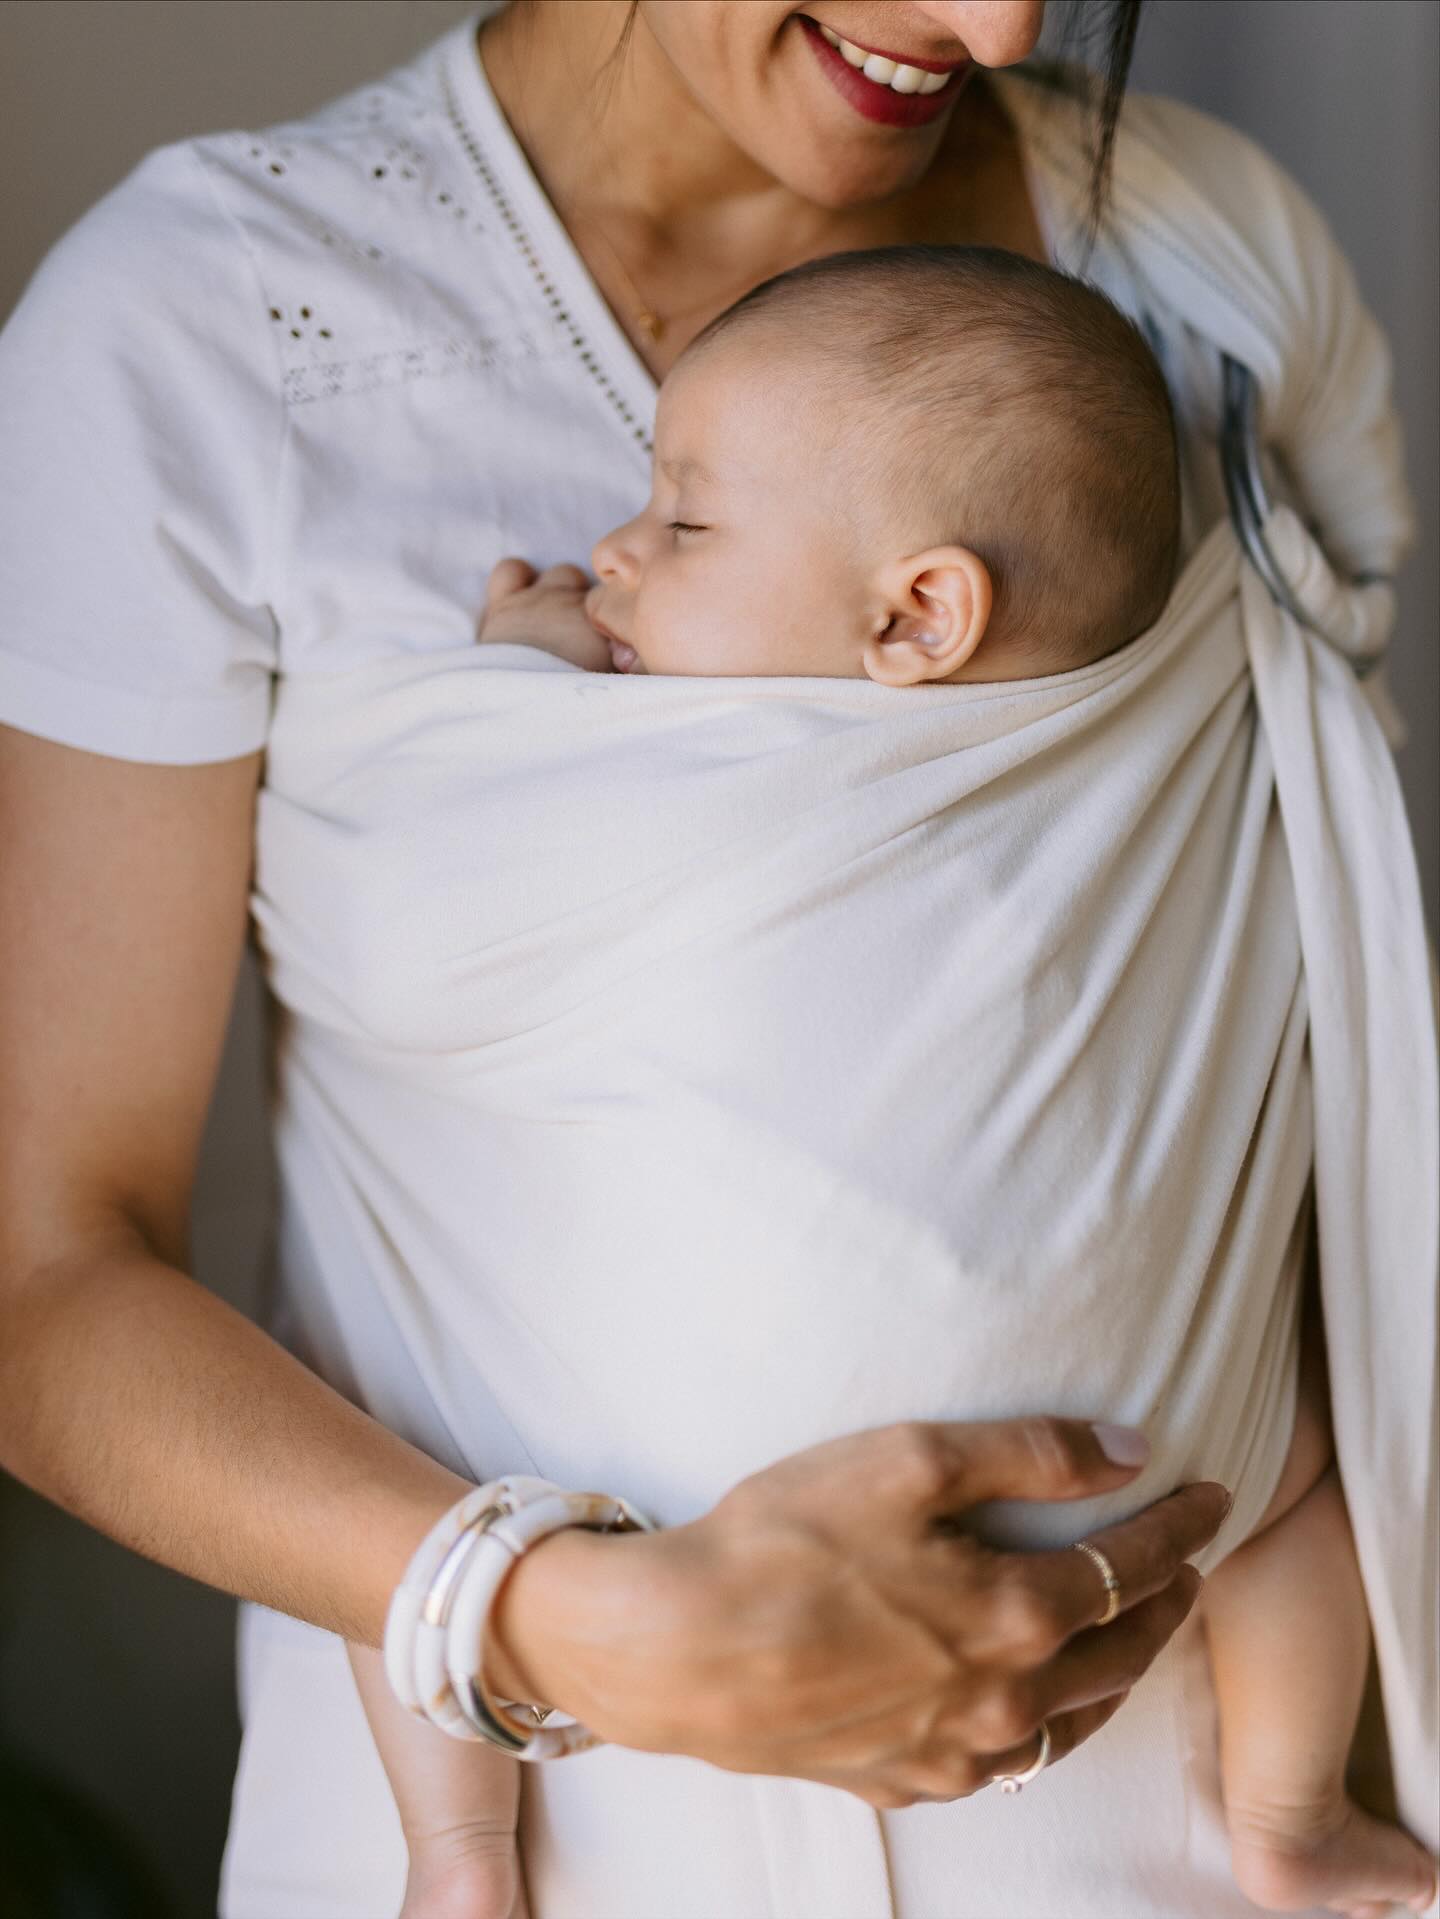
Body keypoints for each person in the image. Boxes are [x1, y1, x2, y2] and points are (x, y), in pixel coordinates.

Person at [0, 6, 1430, 1917]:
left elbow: (1298, 1039)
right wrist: (565, 1624)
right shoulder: (213, 327)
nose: (1002, 24)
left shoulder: (1216, 270)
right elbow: (46, 1276)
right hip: (553, 1840)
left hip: (1182, 1843)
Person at [341, 244, 1434, 1919]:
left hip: (635, 1497)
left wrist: (520, 678)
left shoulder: (693, 767)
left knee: (402, 1418)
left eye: (684, 524)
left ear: (919, 616)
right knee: (1292, 1480)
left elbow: (442, 853)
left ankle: (460, 1850)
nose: (615, 550)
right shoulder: (1113, 769)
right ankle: (1289, 1817)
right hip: (1153, 1468)